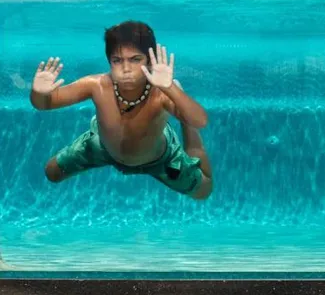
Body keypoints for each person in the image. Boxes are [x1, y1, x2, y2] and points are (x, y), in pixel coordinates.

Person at [30, 20, 213, 200]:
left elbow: (200, 121)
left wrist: (170, 88)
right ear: (109, 61)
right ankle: (181, 107)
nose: (126, 69)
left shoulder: (161, 94)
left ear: (150, 61)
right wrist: (39, 93)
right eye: (117, 60)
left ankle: (183, 115)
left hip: (159, 159)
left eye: (135, 59)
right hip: (104, 147)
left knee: (204, 191)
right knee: (51, 172)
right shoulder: (97, 85)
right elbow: (44, 104)